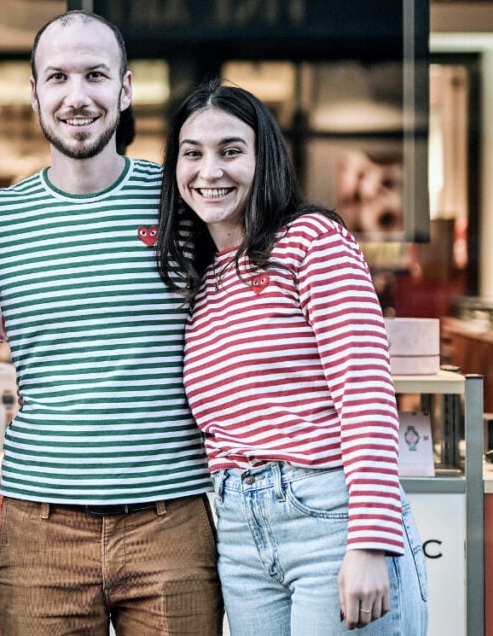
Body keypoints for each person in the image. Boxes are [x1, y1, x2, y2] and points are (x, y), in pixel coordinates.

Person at [0, 11, 223, 634]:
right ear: (36, 93)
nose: (78, 96)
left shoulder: (180, 206)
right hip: (41, 533)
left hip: (170, 527)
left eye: (96, 75)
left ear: (124, 90)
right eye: (59, 77)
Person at [154, 80, 429, 634]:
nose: (210, 171)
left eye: (231, 151)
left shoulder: (311, 240)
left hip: (330, 517)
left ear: (264, 158)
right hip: (237, 532)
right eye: (193, 154)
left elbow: (365, 389)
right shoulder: (204, 276)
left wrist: (372, 541)